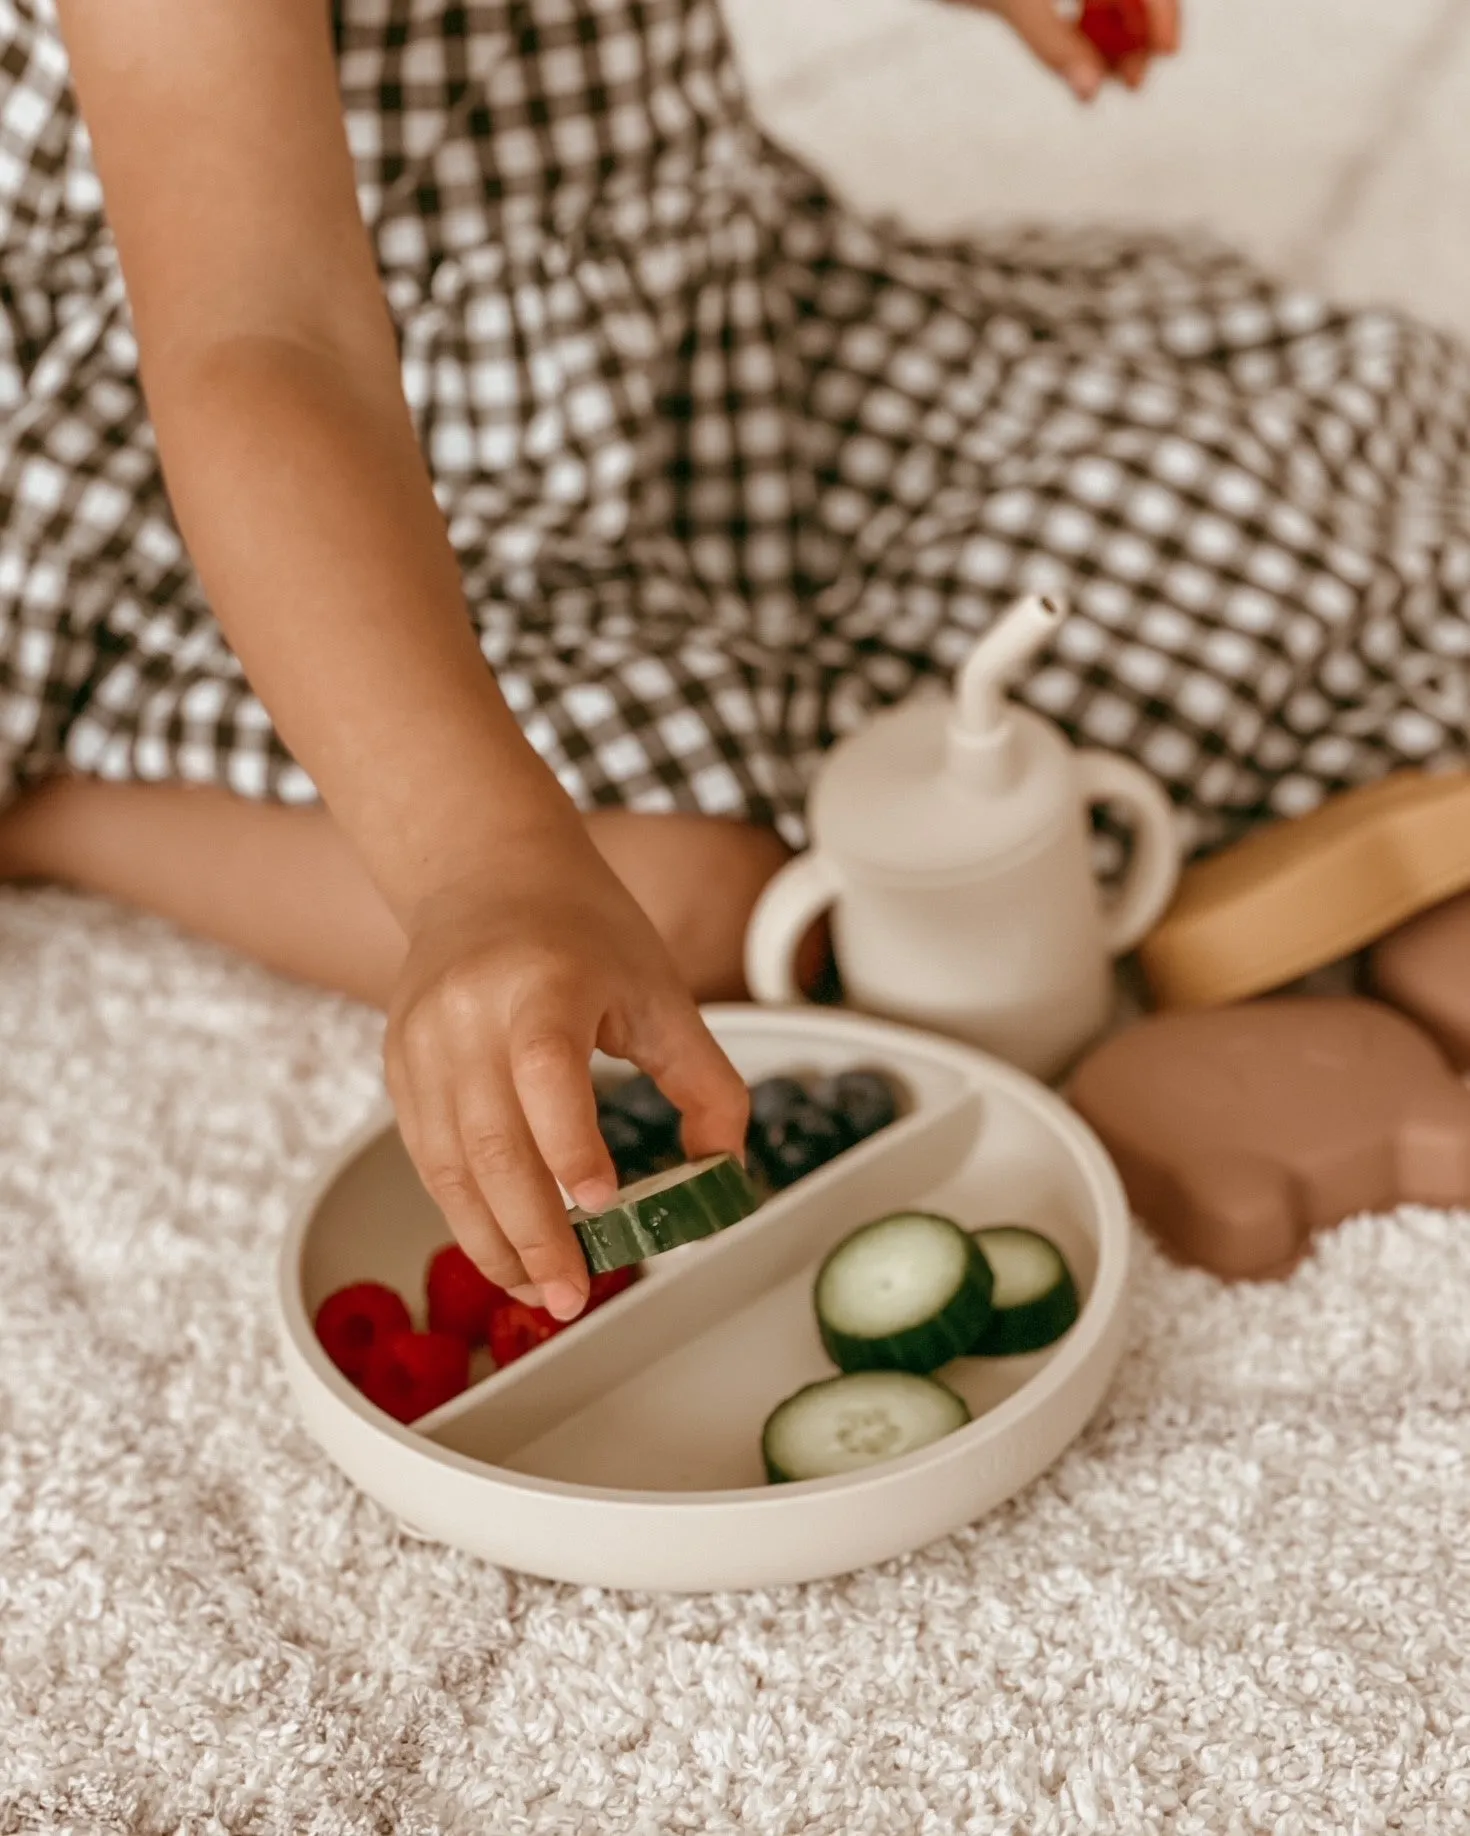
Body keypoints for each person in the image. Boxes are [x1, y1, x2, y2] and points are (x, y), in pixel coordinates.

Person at [3, 0, 1466, 1321]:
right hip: (229, 452)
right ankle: (55, 799)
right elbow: (266, 337)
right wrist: (483, 865)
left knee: (1324, 470)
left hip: (655, 342)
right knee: (693, 904)